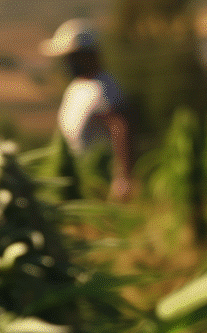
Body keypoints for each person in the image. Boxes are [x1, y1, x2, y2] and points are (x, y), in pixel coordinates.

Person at [40, 19, 135, 202]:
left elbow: (120, 127)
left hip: (98, 182)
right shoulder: (77, 87)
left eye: (72, 57)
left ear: (88, 55)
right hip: (78, 178)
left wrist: (123, 177)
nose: (67, 63)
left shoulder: (103, 87)